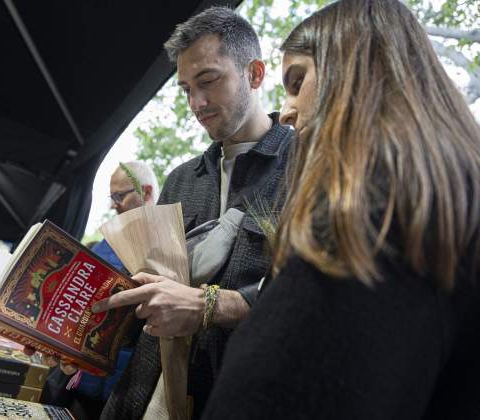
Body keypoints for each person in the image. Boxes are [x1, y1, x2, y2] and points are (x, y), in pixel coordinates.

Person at [202, 1, 480, 419]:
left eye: (297, 81)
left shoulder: (372, 218)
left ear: (357, 70)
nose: (288, 111)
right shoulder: (447, 206)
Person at [93, 7, 293, 419]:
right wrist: (82, 339)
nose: (196, 104)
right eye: (185, 89)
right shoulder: (181, 180)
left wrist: (213, 306)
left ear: (255, 74)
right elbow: (147, 292)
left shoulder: (308, 167)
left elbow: (317, 296)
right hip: (142, 399)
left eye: (208, 81)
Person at [58, 161, 160, 420]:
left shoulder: (169, 241)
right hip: (84, 378)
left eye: (119, 196)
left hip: (131, 384)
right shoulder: (107, 240)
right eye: (111, 197)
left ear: (146, 192)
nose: (114, 204)